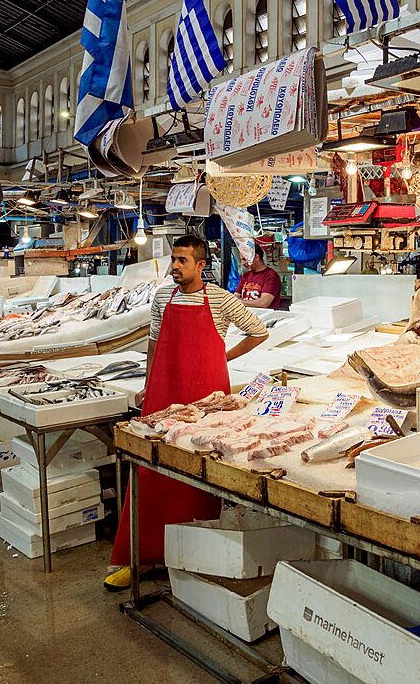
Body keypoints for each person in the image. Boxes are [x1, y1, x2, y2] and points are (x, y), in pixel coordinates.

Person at [104, 234, 269, 590]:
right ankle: (139, 557)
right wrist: (150, 384)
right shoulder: (163, 296)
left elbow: (258, 332)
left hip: (208, 399)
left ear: (200, 265)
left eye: (182, 261)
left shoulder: (222, 300)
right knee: (151, 476)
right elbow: (153, 341)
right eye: (173, 260)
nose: (175, 267)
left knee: (202, 478)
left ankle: (197, 558)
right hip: (165, 393)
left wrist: (223, 357)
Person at [236, 243, 281, 310]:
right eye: (241, 260)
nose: (242, 263)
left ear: (257, 257)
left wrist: (240, 302)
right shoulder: (246, 275)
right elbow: (235, 296)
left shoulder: (271, 276)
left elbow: (263, 303)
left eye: (245, 259)